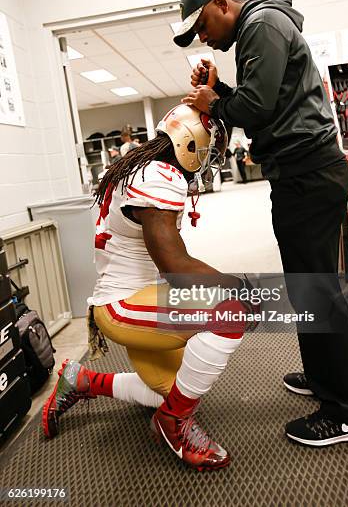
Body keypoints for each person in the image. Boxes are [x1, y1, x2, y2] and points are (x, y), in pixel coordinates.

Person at [174, 0, 348, 447]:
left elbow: (259, 108)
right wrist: (220, 89)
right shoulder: (259, 28)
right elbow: (268, 100)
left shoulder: (261, 24)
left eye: (202, 26)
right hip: (300, 174)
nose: (203, 38)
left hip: (307, 172)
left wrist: (214, 101)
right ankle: (325, 377)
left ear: (221, 3)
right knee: (307, 287)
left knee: (319, 291)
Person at [42, 104, 253, 471]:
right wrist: (237, 287)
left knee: (177, 391)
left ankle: (81, 380)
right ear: (191, 144)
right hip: (123, 303)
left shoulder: (145, 166)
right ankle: (173, 424)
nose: (211, 157)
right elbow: (175, 266)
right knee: (229, 311)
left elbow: (175, 258)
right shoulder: (158, 176)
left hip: (137, 296)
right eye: (209, 148)